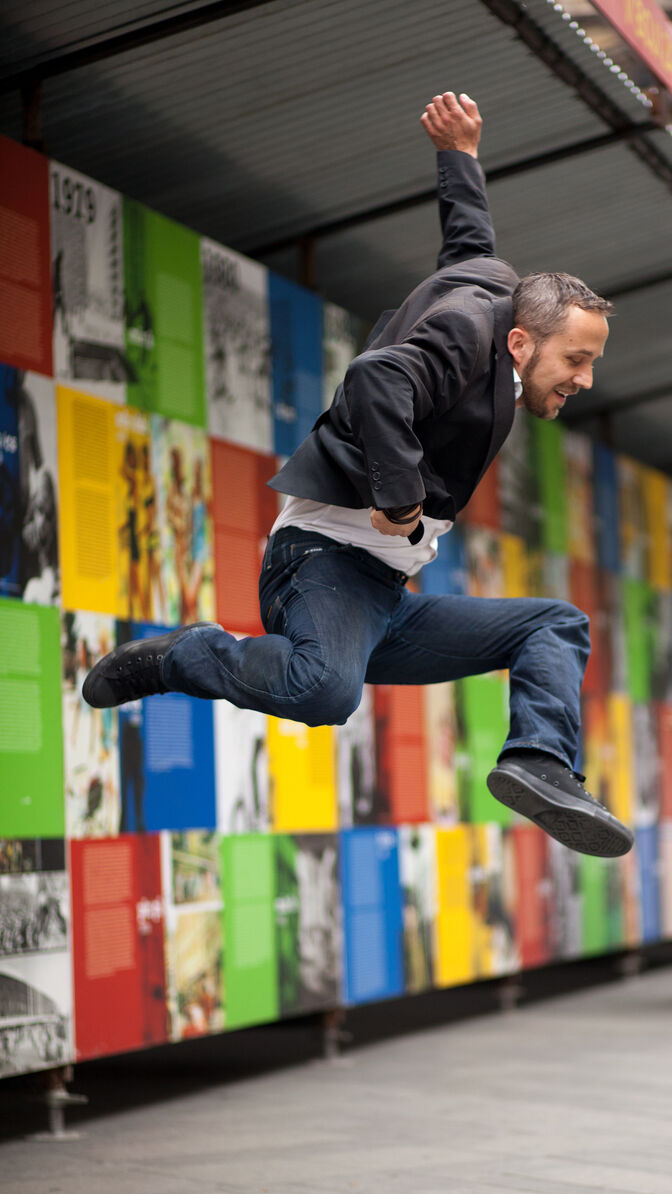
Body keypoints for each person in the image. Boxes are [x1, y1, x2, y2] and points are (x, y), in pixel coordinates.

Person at [83, 92, 632, 860]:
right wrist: (398, 498)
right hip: (321, 565)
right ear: (519, 343)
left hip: (383, 600)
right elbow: (378, 380)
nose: (584, 379)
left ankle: (540, 761)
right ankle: (185, 655)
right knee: (323, 691)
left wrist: (460, 155)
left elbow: (469, 240)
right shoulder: (463, 337)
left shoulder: (492, 290)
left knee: (554, 624)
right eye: (576, 360)